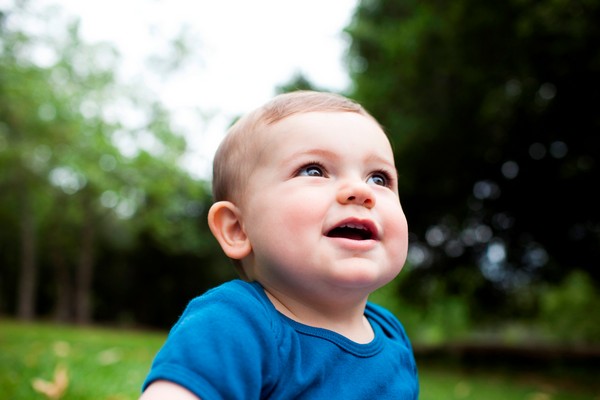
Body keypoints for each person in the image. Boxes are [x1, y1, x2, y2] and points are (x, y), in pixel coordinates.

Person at [139, 90, 419, 399]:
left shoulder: (392, 336)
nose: (360, 191)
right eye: (314, 170)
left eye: (379, 179)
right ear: (237, 229)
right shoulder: (233, 322)